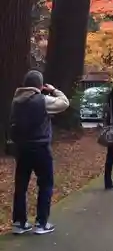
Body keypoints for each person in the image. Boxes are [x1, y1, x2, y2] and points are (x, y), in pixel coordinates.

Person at [10, 70, 69, 235]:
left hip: (21, 149)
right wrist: (53, 90)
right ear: (40, 85)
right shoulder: (42, 100)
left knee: (21, 186)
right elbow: (64, 103)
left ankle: (19, 222)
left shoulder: (16, 101)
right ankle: (41, 223)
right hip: (41, 148)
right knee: (45, 184)